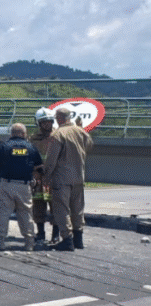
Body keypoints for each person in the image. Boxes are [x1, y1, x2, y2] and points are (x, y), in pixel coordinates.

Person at [42, 107, 94, 251]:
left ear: (58, 118)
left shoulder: (58, 134)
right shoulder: (80, 131)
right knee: (78, 209)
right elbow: (89, 145)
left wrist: (46, 176)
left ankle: (67, 240)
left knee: (62, 209)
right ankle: (79, 239)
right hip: (78, 177)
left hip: (62, 178)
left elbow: (51, 159)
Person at [0, 123, 43, 251]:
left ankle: (0, 242)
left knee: (3, 213)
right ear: (24, 134)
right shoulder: (31, 147)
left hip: (7, 184)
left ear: (11, 133)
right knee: (26, 214)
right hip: (24, 186)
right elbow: (38, 167)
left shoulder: (3, 146)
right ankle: (29, 243)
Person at [30, 107, 58, 244]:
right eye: (44, 122)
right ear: (39, 124)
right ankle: (40, 233)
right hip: (38, 180)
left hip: (52, 180)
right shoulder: (33, 139)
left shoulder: (58, 137)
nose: (47, 124)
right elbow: (27, 157)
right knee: (38, 206)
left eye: (49, 121)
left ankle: (55, 235)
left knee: (55, 207)